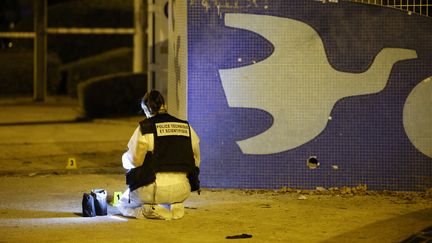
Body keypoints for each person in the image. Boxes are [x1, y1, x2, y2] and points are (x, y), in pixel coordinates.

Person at [116, 90, 201, 220]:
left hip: (154, 191)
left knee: (121, 204)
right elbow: (196, 160)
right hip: (183, 189)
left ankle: (150, 210)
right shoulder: (186, 126)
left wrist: (124, 160)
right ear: (164, 105)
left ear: (146, 108)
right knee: (172, 195)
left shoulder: (146, 127)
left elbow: (133, 161)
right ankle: (176, 206)